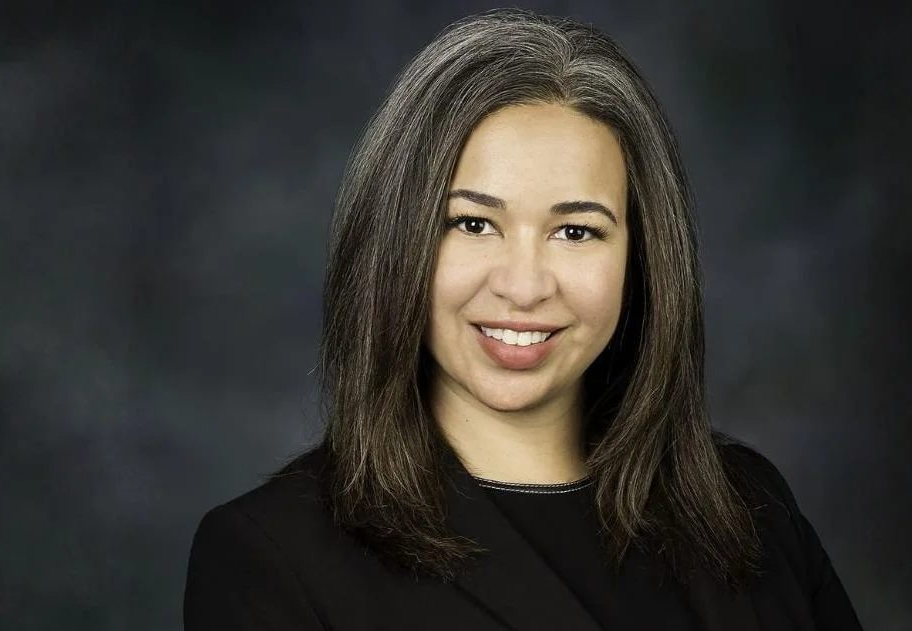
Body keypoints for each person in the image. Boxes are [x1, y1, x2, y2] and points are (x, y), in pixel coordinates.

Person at [183, 8, 863, 631]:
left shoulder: (750, 509)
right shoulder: (272, 555)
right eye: (473, 223)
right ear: (397, 240)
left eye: (576, 232)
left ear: (642, 257)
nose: (524, 286)